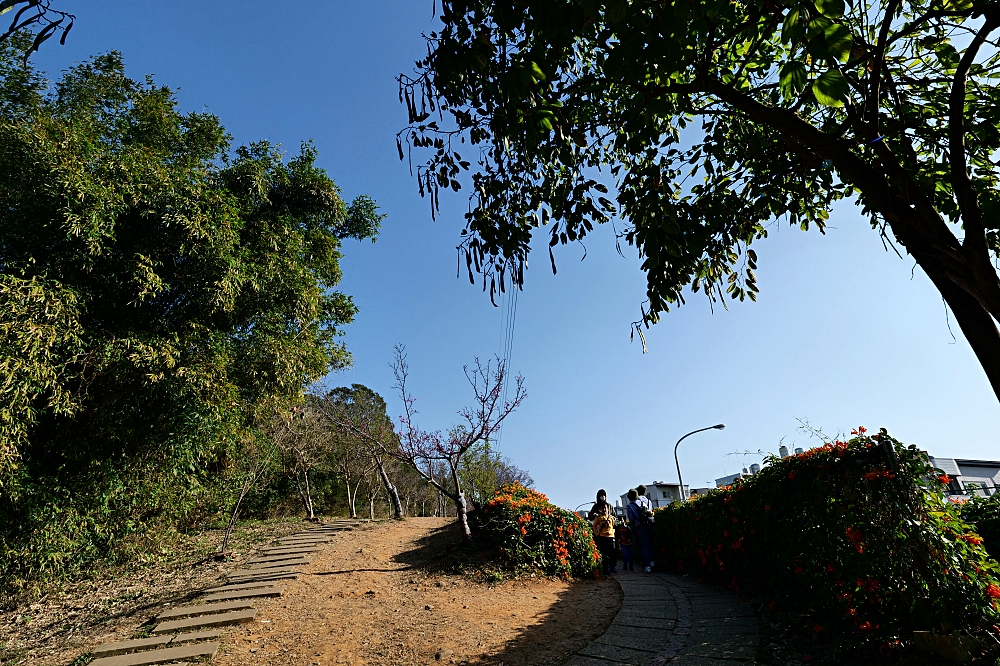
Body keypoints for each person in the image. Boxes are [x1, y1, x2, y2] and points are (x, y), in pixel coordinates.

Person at [587, 489, 618, 575]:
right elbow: (590, 516)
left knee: (612, 551)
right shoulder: (596, 506)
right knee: (603, 552)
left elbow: (615, 517)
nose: (602, 497)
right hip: (600, 533)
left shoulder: (610, 506)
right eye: (601, 495)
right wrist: (595, 515)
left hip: (610, 534)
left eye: (604, 495)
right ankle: (605, 567)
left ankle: (613, 566)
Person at [626, 488, 655, 573]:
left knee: (644, 546)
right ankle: (652, 563)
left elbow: (631, 518)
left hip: (639, 527)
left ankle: (647, 566)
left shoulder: (630, 506)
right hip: (649, 525)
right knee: (650, 545)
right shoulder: (644, 503)